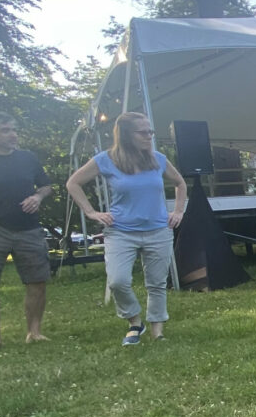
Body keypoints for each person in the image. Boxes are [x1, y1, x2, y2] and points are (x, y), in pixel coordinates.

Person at [66, 112, 187, 345]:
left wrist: (178, 211)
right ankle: (134, 322)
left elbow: (180, 183)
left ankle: (157, 331)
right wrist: (91, 212)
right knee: (117, 281)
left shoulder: (158, 159)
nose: (149, 136)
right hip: (121, 231)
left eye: (150, 131)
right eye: (143, 132)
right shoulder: (106, 159)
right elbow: (73, 183)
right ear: (126, 135)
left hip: (158, 230)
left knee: (157, 283)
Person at [0, 112, 53, 352]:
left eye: (14, 129)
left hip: (28, 229)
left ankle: (34, 332)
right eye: (5, 130)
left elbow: (46, 186)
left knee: (37, 282)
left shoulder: (28, 158)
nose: (13, 134)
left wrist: (37, 196)